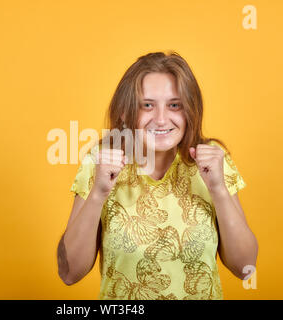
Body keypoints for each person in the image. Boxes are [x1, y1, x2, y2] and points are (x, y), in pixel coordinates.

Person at [57, 51, 258, 300]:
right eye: (147, 105)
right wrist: (98, 193)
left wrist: (218, 189)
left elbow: (245, 267)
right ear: (124, 111)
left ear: (190, 111)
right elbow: (70, 273)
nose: (161, 119)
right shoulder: (100, 161)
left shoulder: (214, 162)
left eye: (175, 105)